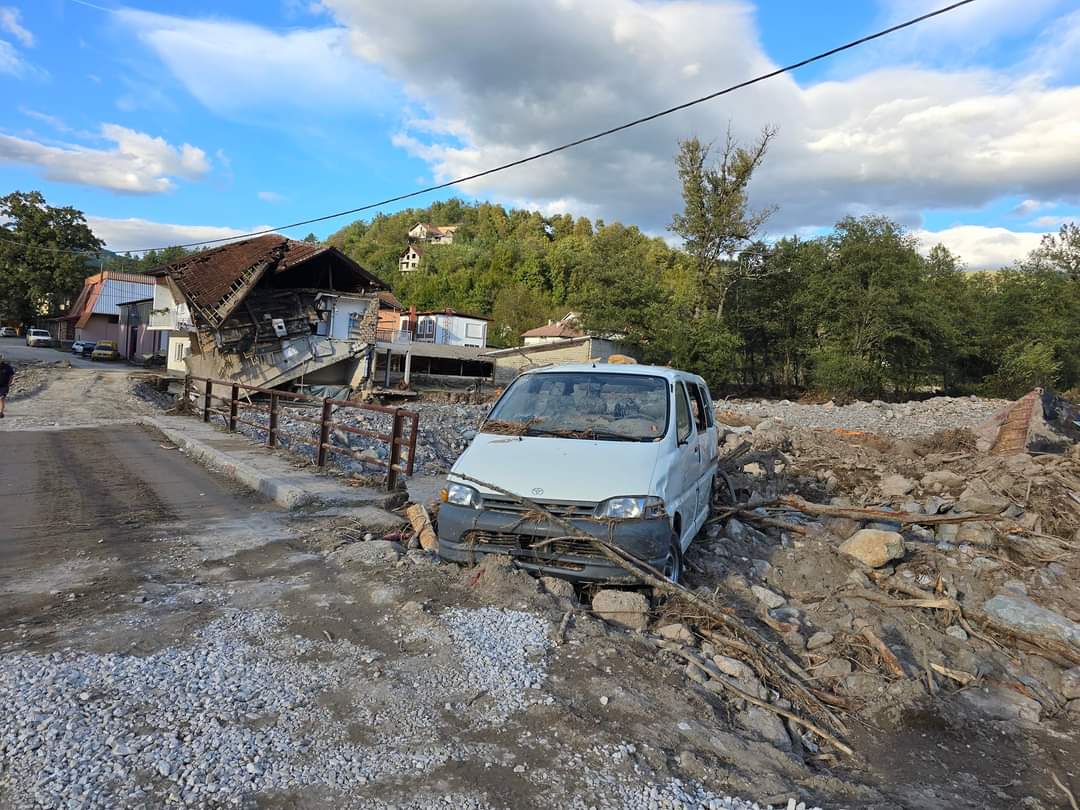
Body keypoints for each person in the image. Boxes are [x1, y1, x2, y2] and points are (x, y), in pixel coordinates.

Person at [0, 354, 13, 418]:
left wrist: (9, 383)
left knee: (2, 398)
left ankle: (1, 413)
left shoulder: (7, 367)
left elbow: (11, 375)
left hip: (4, 386)